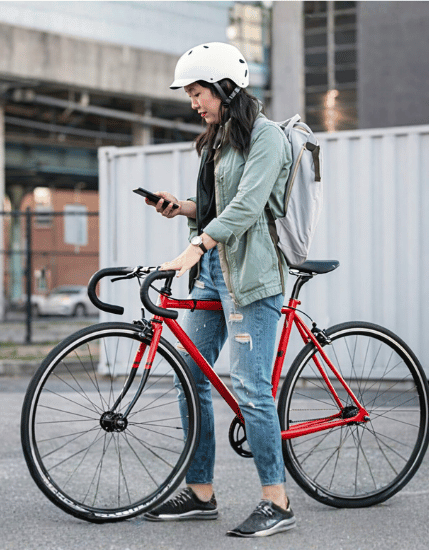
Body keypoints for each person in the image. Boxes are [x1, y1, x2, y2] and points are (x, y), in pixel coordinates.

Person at [141, 42, 295, 538]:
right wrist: (182, 208)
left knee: (251, 390)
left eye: (199, 91)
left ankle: (277, 499)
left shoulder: (267, 138)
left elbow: (248, 207)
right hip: (213, 273)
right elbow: (213, 208)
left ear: (226, 88)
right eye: (190, 94)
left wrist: (197, 245)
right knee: (191, 374)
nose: (194, 103)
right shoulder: (215, 140)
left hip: (252, 279)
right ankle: (201, 493)